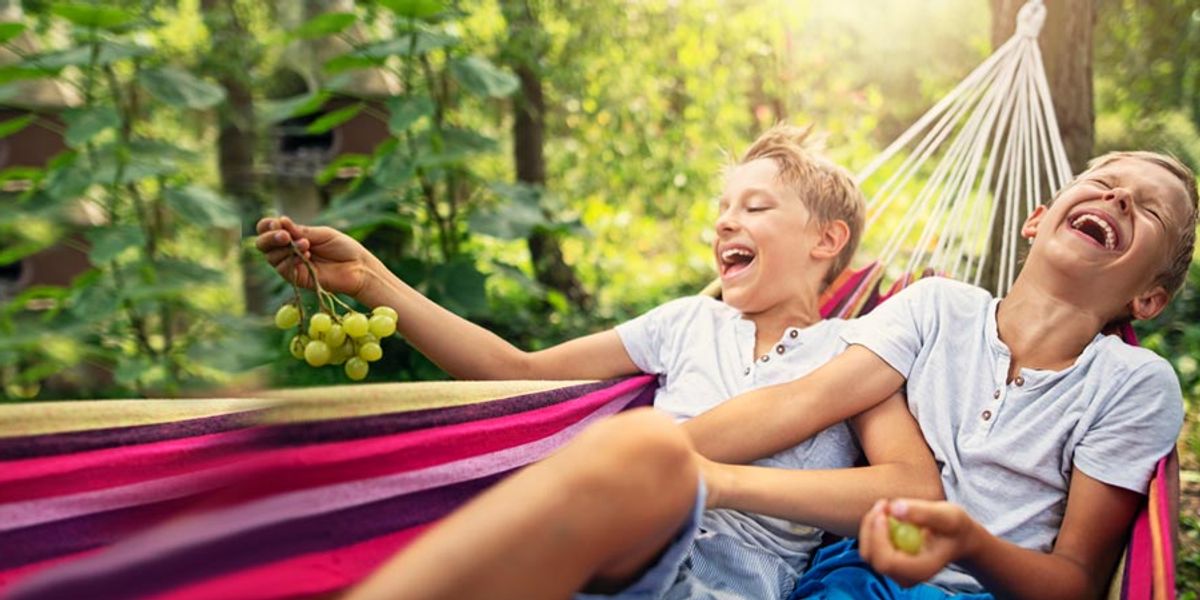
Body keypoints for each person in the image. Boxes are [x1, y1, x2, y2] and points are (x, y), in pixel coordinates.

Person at [257, 125, 942, 599]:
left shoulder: (857, 352)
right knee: (639, 453)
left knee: (647, 445)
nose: (725, 222)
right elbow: (519, 372)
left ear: (827, 239)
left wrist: (713, 481)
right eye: (722, 209)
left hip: (730, 585)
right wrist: (371, 280)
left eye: (755, 207)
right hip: (619, 555)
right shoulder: (686, 321)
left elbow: (915, 493)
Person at [680, 150, 1197, 599]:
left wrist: (968, 544)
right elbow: (802, 402)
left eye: (1150, 209)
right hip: (862, 580)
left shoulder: (1132, 383)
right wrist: (662, 455)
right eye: (1104, 183)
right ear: (1036, 221)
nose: (1119, 198)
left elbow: (1076, 581)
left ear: (1148, 299)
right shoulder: (935, 308)